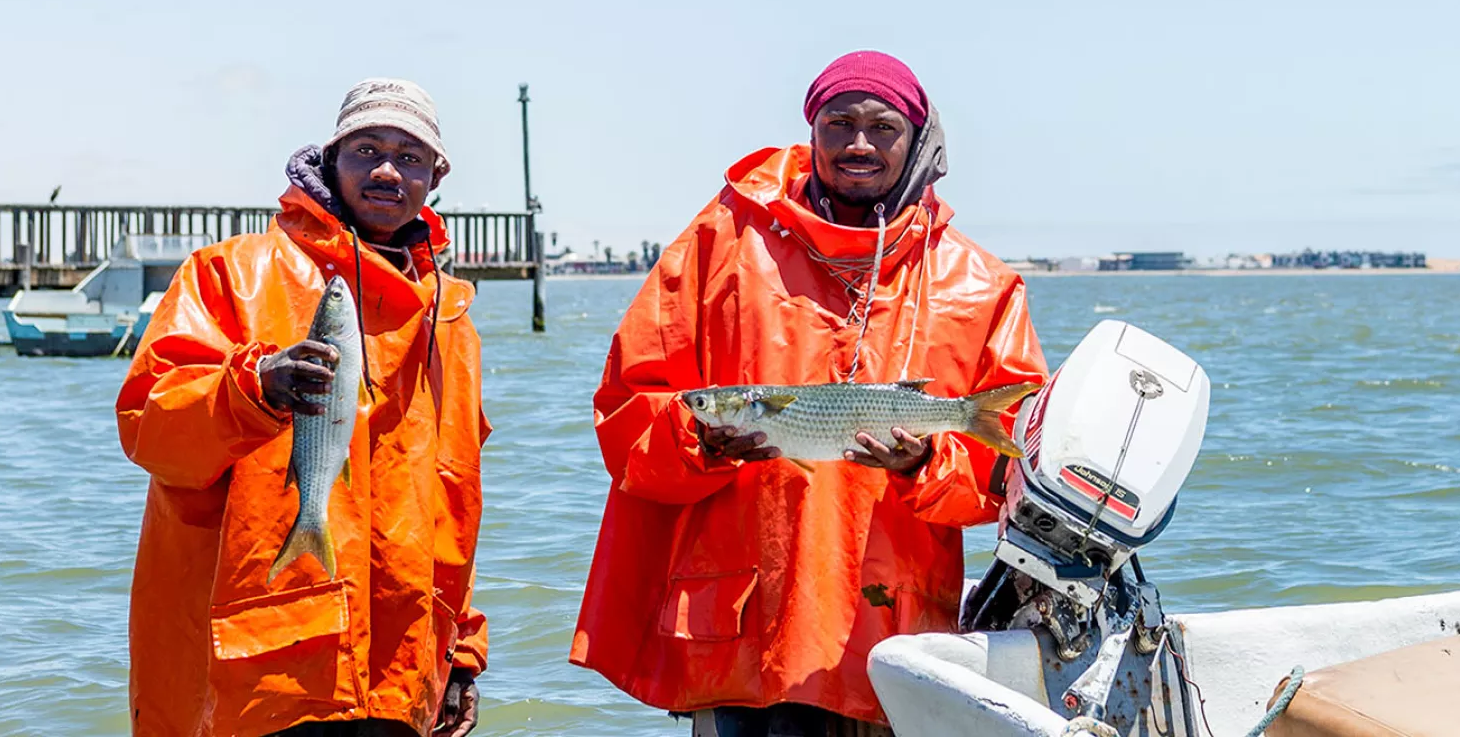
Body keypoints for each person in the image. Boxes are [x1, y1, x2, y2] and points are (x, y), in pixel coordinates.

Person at [570, 51, 1047, 735]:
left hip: (890, 631)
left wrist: (924, 465)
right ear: (810, 131)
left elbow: (1015, 467)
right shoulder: (720, 244)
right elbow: (627, 407)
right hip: (738, 631)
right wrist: (699, 440)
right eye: (838, 123)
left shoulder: (982, 283)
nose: (859, 143)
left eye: (882, 126)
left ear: (918, 138)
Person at [117, 79, 488, 737]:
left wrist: (460, 649)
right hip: (256, 671)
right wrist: (253, 386)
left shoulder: (448, 316)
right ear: (329, 159)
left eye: (409, 156)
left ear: (436, 174)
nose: (385, 170)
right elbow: (151, 427)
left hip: (401, 670)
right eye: (366, 149)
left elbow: (454, 500)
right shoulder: (226, 272)